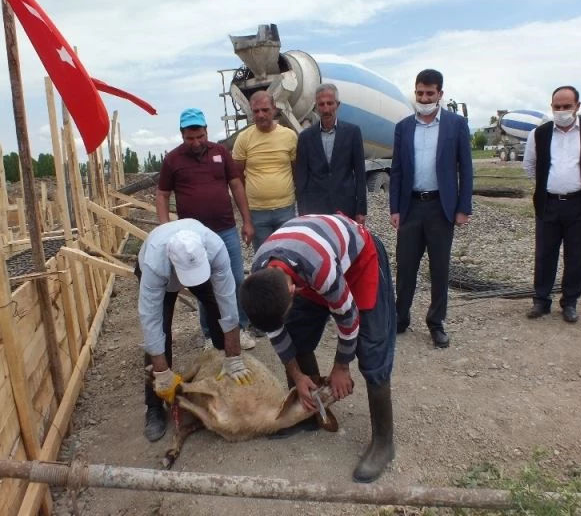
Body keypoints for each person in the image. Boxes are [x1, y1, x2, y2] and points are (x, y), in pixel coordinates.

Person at [239, 214, 396, 483]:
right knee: (297, 335)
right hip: (308, 264)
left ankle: (384, 443)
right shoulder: (261, 275)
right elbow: (277, 331)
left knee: (372, 351)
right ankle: (308, 414)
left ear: (291, 291)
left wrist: (341, 367)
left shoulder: (321, 269)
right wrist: (297, 376)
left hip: (358, 262)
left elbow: (348, 317)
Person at [136, 219, 252, 442]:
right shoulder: (154, 262)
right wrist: (161, 372)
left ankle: (223, 374)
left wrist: (234, 355)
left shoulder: (215, 248)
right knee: (161, 331)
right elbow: (151, 322)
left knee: (217, 310)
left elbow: (228, 303)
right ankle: (154, 406)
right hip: (159, 273)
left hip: (198, 267)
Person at [156, 108, 258, 349]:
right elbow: (162, 195)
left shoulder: (221, 152)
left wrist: (247, 220)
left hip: (225, 230)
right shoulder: (172, 160)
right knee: (203, 284)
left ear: (206, 131)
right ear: (182, 134)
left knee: (235, 279)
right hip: (193, 237)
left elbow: (236, 185)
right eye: (190, 138)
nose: (196, 142)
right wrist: (164, 229)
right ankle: (211, 334)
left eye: (200, 136)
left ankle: (240, 328)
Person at [389, 69, 473, 347]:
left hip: (441, 208)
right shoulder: (403, 127)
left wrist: (463, 207)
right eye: (420, 93)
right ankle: (400, 318)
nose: (424, 98)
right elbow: (397, 171)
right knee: (405, 267)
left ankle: (436, 322)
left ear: (440, 94)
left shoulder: (455, 125)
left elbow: (466, 168)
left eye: (429, 93)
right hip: (410, 208)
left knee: (439, 268)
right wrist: (394, 208)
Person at [523, 86, 581, 323]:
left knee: (576, 255)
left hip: (579, 204)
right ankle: (541, 300)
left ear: (577, 106)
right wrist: (548, 185)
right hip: (548, 203)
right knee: (544, 254)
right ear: (551, 107)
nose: (561, 111)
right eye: (557, 107)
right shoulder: (538, 134)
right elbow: (530, 166)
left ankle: (570, 302)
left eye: (567, 106)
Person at [232, 90, 298, 249]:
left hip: (286, 209)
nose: (261, 115)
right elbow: (237, 177)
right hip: (257, 212)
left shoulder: (289, 136)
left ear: (274, 109)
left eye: (265, 110)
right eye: (256, 111)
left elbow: (295, 170)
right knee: (264, 256)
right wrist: (246, 219)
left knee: (288, 255)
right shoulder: (243, 138)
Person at [294, 83, 367, 223]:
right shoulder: (305, 137)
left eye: (330, 103)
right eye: (321, 104)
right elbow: (301, 177)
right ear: (316, 107)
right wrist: (302, 212)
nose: (326, 109)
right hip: (315, 209)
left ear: (337, 105)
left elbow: (360, 174)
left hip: (346, 207)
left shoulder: (352, 133)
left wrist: (361, 210)